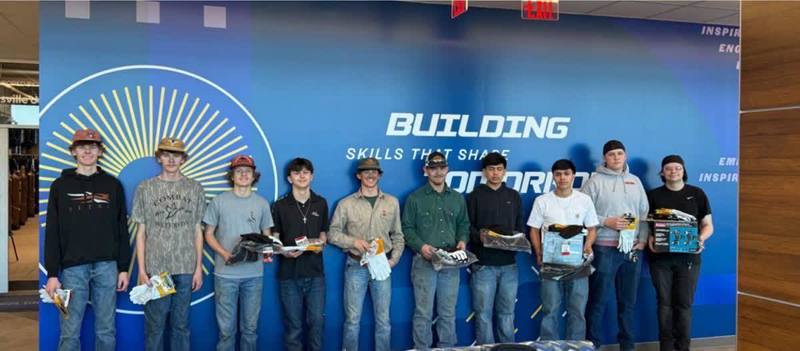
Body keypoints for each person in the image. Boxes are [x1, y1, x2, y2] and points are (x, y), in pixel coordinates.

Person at [44, 129, 131, 351]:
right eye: (82, 147)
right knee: (69, 329)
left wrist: (123, 268)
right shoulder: (60, 186)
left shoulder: (113, 185)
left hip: (107, 267)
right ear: (73, 151)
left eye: (92, 147)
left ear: (100, 151)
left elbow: (122, 228)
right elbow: (52, 231)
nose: (87, 151)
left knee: (106, 329)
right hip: (72, 269)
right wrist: (53, 273)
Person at [132, 137, 206, 351]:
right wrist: (142, 270)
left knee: (181, 325)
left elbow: (197, 230)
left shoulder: (195, 188)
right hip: (157, 269)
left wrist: (198, 267)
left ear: (183, 159)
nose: (171, 159)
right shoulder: (146, 187)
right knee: (155, 327)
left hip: (185, 267)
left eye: (176, 155)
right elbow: (141, 232)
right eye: (166, 154)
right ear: (159, 158)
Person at [329, 157, 404, 351]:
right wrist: (354, 242)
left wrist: (393, 260)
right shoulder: (345, 204)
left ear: (379, 175)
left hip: (382, 266)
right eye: (366, 171)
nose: (370, 175)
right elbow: (332, 234)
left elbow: (398, 235)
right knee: (352, 320)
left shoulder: (392, 202)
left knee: (384, 320)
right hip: (356, 265)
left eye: (374, 171)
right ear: (358, 175)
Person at [581, 139, 649, 351]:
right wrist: (605, 221)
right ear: (605, 158)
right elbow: (581, 212)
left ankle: (627, 347)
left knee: (627, 303)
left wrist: (643, 239)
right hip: (604, 249)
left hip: (631, 250)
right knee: (598, 301)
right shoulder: (594, 182)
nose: (616, 157)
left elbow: (644, 214)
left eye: (620, 153)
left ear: (625, 155)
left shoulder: (635, 181)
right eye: (612, 154)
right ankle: (593, 345)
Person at [203, 155, 274, 351]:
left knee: (250, 329)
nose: (243, 174)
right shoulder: (218, 201)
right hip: (225, 275)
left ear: (254, 176)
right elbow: (208, 234)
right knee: (226, 331)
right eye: (239, 171)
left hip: (254, 275)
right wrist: (224, 253)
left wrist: (267, 251)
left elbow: (266, 236)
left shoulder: (262, 203)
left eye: (248, 171)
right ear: (232, 176)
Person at [402, 151, 471, 349]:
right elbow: (406, 228)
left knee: (447, 312)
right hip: (424, 262)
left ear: (447, 169)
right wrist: (421, 246)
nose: (438, 172)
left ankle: (446, 348)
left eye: (442, 168)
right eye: (433, 168)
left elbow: (463, 224)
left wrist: (462, 241)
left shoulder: (457, 198)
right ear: (425, 170)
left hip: (450, 261)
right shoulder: (415, 198)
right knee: (423, 312)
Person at [646, 155, 713, 351]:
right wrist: (649, 236)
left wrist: (700, 238)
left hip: (688, 259)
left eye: (677, 168)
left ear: (683, 170)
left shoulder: (697, 194)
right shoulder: (654, 195)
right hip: (660, 259)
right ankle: (666, 348)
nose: (673, 171)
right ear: (662, 172)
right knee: (664, 304)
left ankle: (683, 348)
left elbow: (708, 225)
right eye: (668, 168)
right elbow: (647, 225)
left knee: (684, 305)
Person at [528, 159, 599, 341]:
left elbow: (592, 228)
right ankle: (549, 346)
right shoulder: (542, 201)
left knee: (577, 310)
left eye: (566, 174)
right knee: (550, 308)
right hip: (550, 263)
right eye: (558, 174)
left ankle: (576, 346)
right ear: (553, 177)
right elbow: (533, 229)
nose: (562, 178)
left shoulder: (584, 200)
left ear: (573, 176)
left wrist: (588, 245)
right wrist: (539, 252)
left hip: (578, 263)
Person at [466, 152, 524, 345]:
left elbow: (520, 226)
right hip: (483, 265)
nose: (495, 173)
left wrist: (516, 238)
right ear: (484, 172)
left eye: (499, 169)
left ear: (504, 171)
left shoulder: (513, 196)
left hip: (509, 266)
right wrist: (480, 236)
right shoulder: (474, 196)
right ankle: (486, 349)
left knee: (507, 313)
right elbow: (467, 227)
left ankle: (508, 349)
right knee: (483, 314)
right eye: (491, 169)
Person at [271, 158, 329, 351]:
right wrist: (282, 252)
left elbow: (323, 235)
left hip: (315, 273)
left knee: (316, 324)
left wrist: (320, 244)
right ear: (289, 178)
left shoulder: (321, 203)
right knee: (293, 327)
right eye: (297, 173)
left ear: (311, 176)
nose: (301, 176)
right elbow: (275, 240)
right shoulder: (280, 205)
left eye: (305, 172)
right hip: (289, 274)